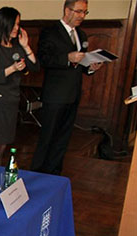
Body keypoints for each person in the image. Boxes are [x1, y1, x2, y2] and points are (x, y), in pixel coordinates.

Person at [31, 0, 103, 175]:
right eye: (79, 11)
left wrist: (91, 68)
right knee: (48, 137)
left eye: (85, 12)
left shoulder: (82, 35)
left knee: (63, 139)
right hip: (55, 95)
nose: (82, 16)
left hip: (73, 94)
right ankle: (36, 174)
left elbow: (80, 65)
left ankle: (54, 174)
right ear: (67, 10)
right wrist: (67, 58)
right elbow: (43, 59)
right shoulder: (50, 31)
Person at [0, 7, 39, 165]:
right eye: (14, 24)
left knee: (2, 147)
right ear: (4, 24)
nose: (17, 28)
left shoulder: (17, 47)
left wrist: (26, 46)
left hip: (10, 101)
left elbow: (35, 66)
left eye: (18, 24)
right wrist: (13, 68)